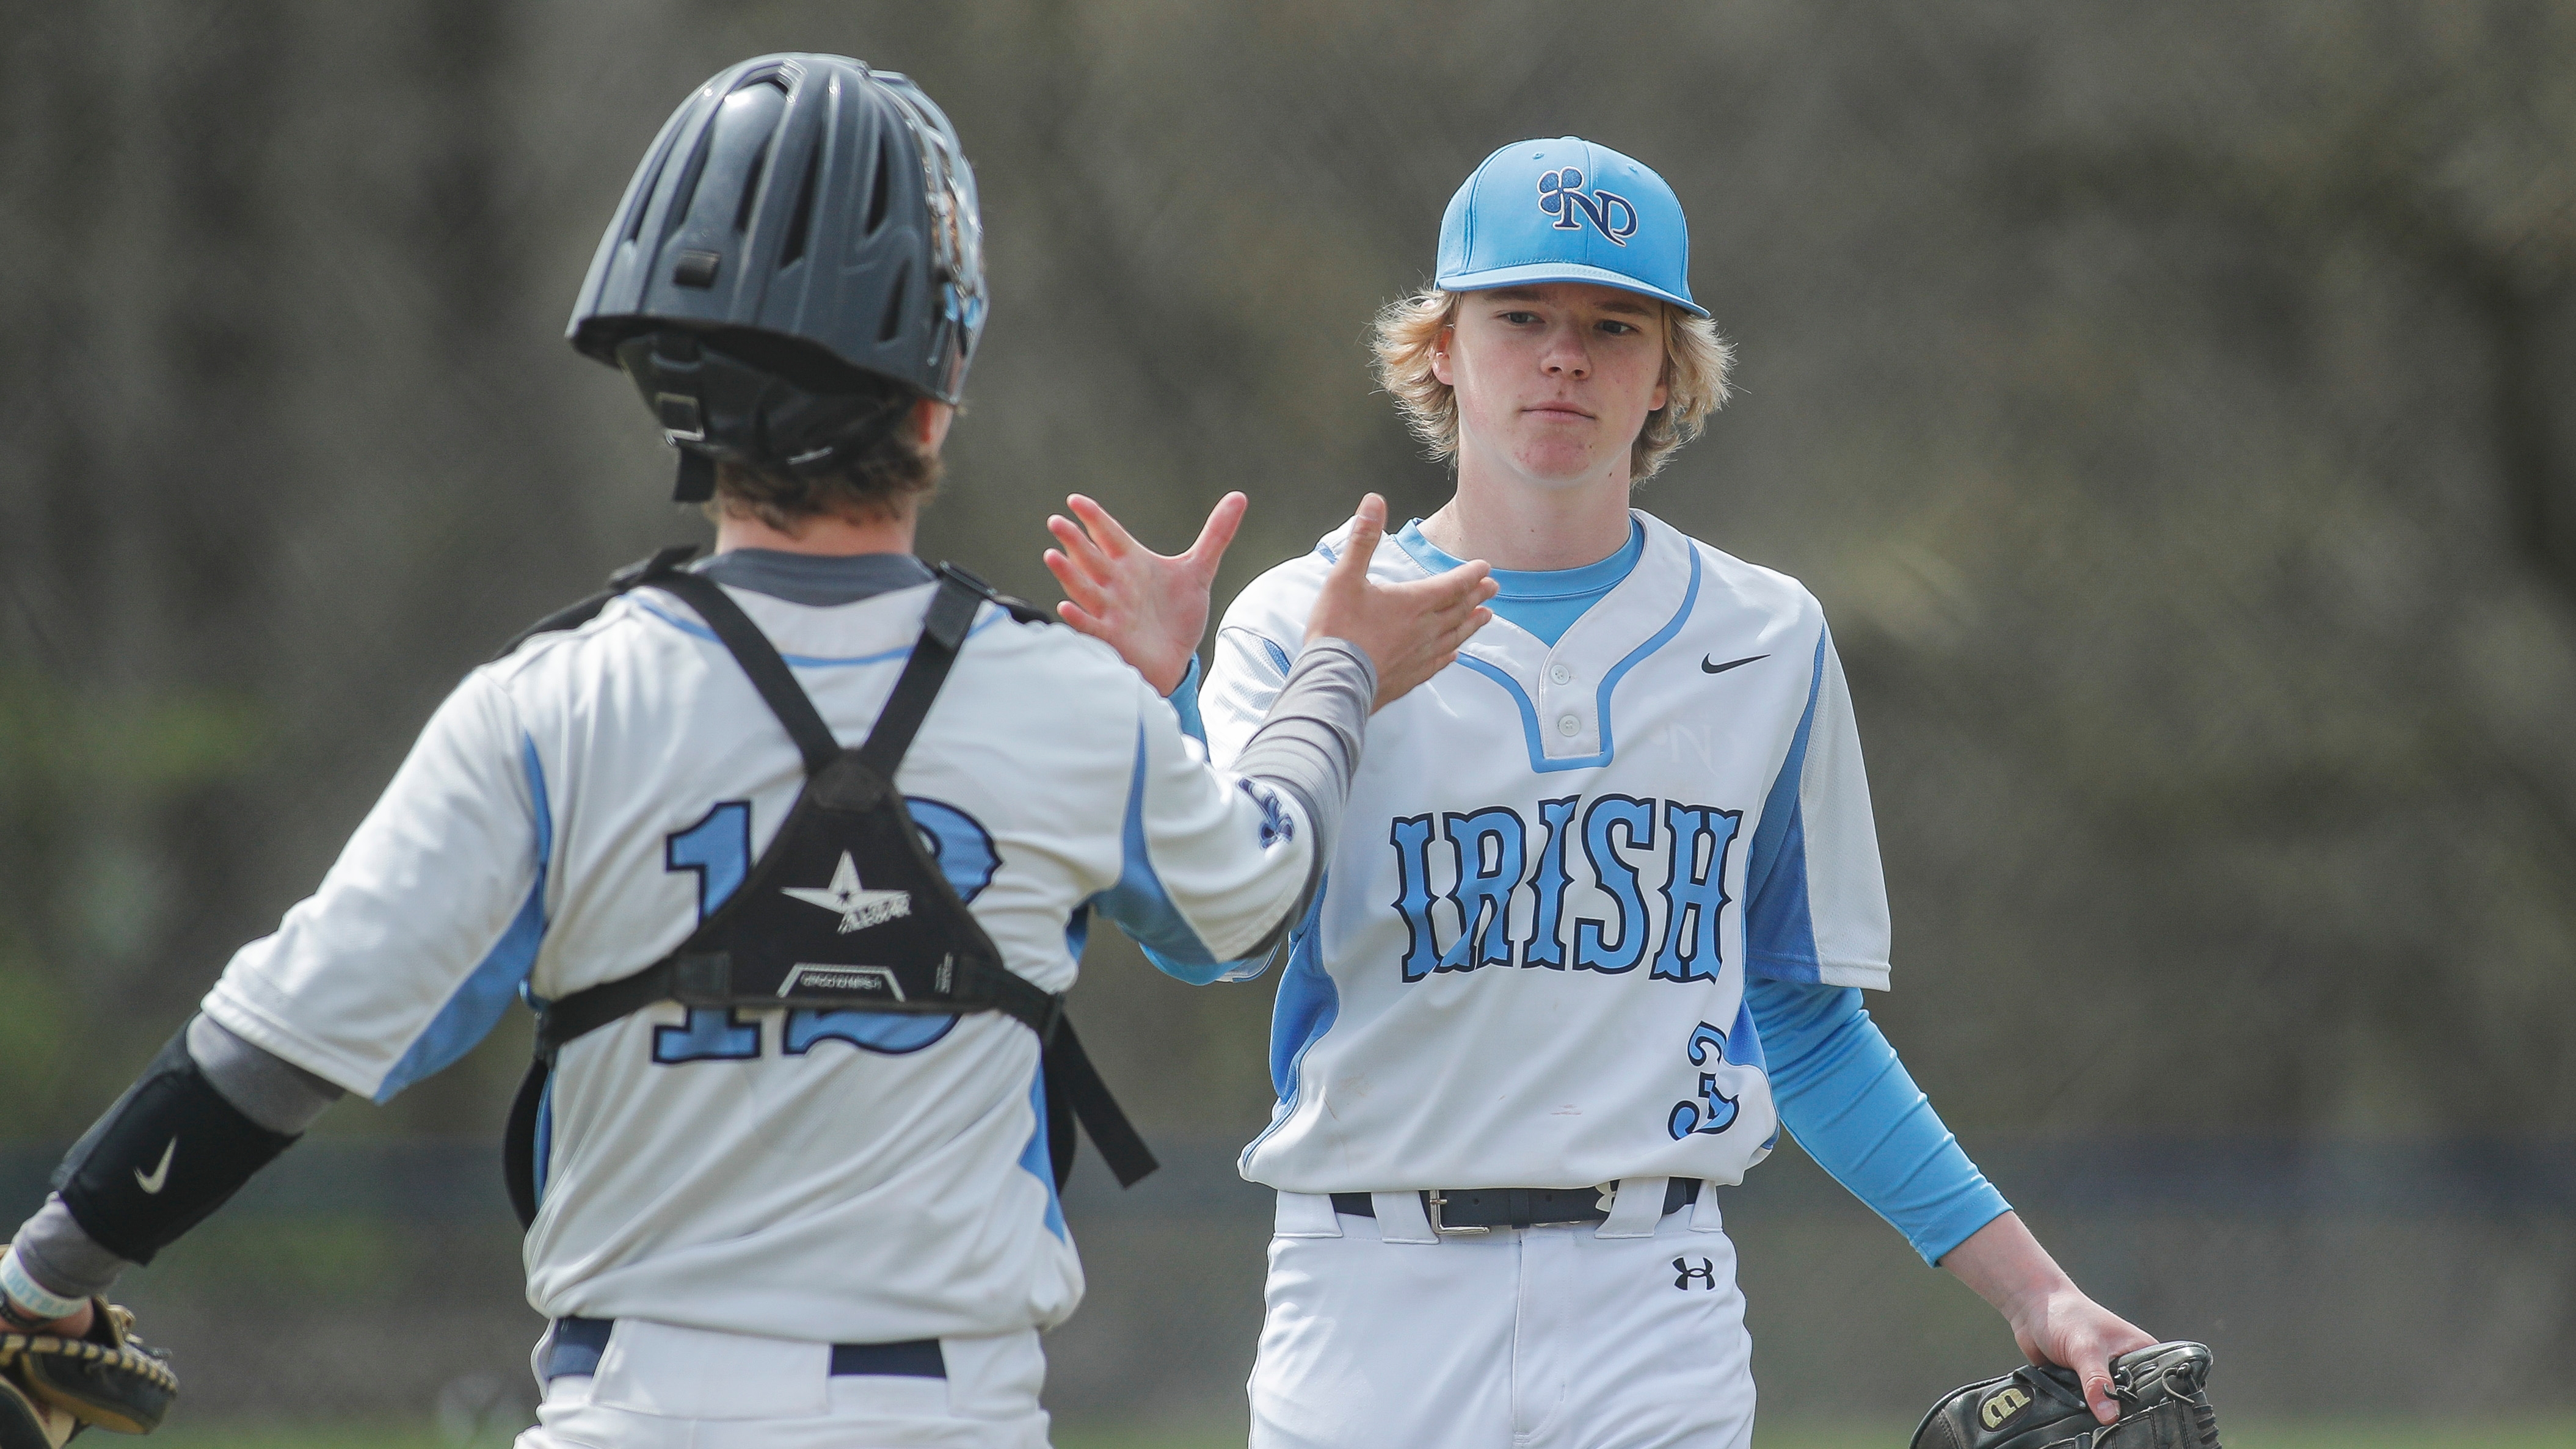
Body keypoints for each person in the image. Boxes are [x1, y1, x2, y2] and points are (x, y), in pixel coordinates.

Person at [0, 54, 1493, 1449]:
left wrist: (38, 1280)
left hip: (637, 1405)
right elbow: (1249, 896)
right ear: (935, 392)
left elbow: (273, 1050)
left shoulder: (554, 707)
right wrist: (1335, 674)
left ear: (672, 379)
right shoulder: (1071, 707)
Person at [1042, 137, 2151, 1449]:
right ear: (1442, 347)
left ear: (1670, 371)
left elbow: (1802, 1023)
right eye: (1521, 315)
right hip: (1368, 1290)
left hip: (1652, 1298)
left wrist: (2041, 1292)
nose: (1564, 355)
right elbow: (1212, 938)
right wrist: (1165, 701)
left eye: (1614, 324)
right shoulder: (1312, 615)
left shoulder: (1765, 638)